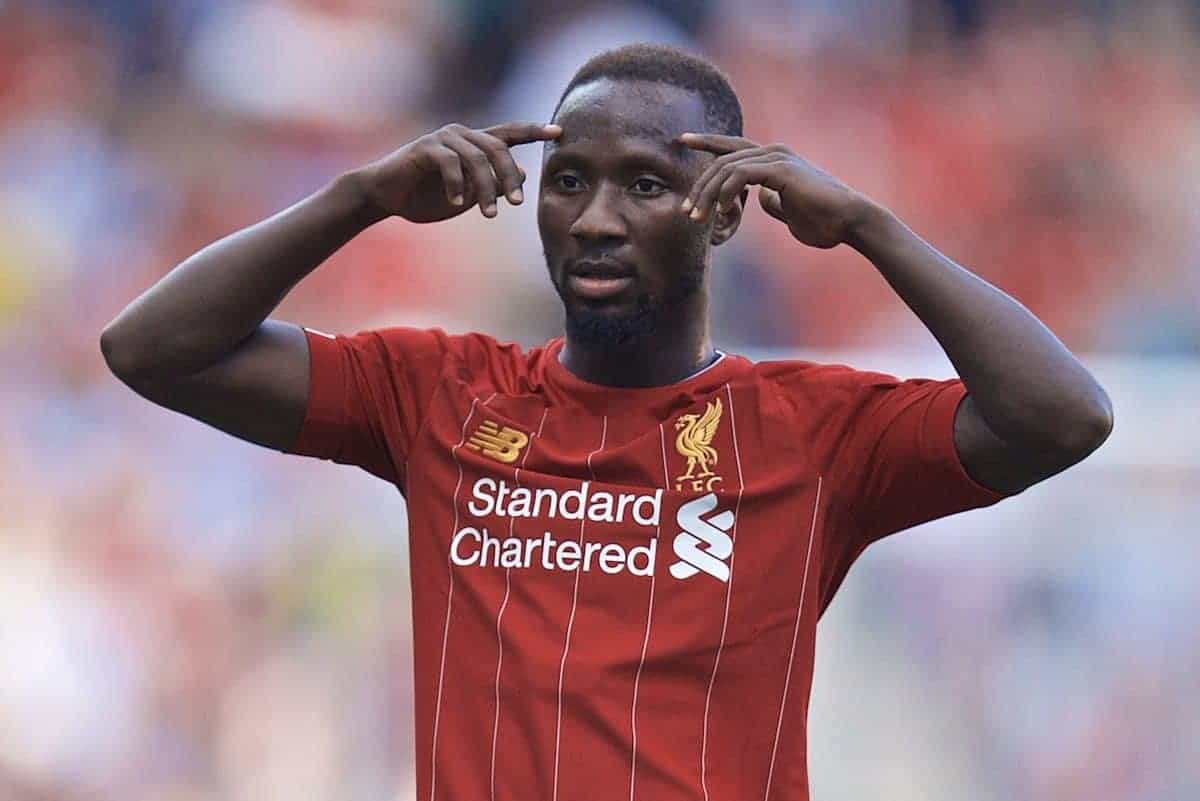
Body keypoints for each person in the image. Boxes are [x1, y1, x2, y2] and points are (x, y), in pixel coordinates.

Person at [101, 43, 1112, 801]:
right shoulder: (439, 394)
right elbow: (152, 350)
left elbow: (1062, 417)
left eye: (645, 183)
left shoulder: (809, 431)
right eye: (571, 180)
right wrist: (357, 197)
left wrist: (870, 229)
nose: (594, 217)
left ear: (722, 211)